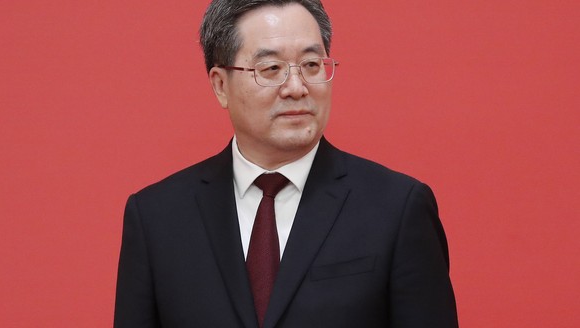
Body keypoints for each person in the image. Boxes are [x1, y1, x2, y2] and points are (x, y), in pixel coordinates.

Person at [114, 0, 459, 327]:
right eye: (272, 68)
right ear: (221, 85)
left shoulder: (397, 208)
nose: (297, 87)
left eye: (311, 65)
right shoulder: (156, 218)